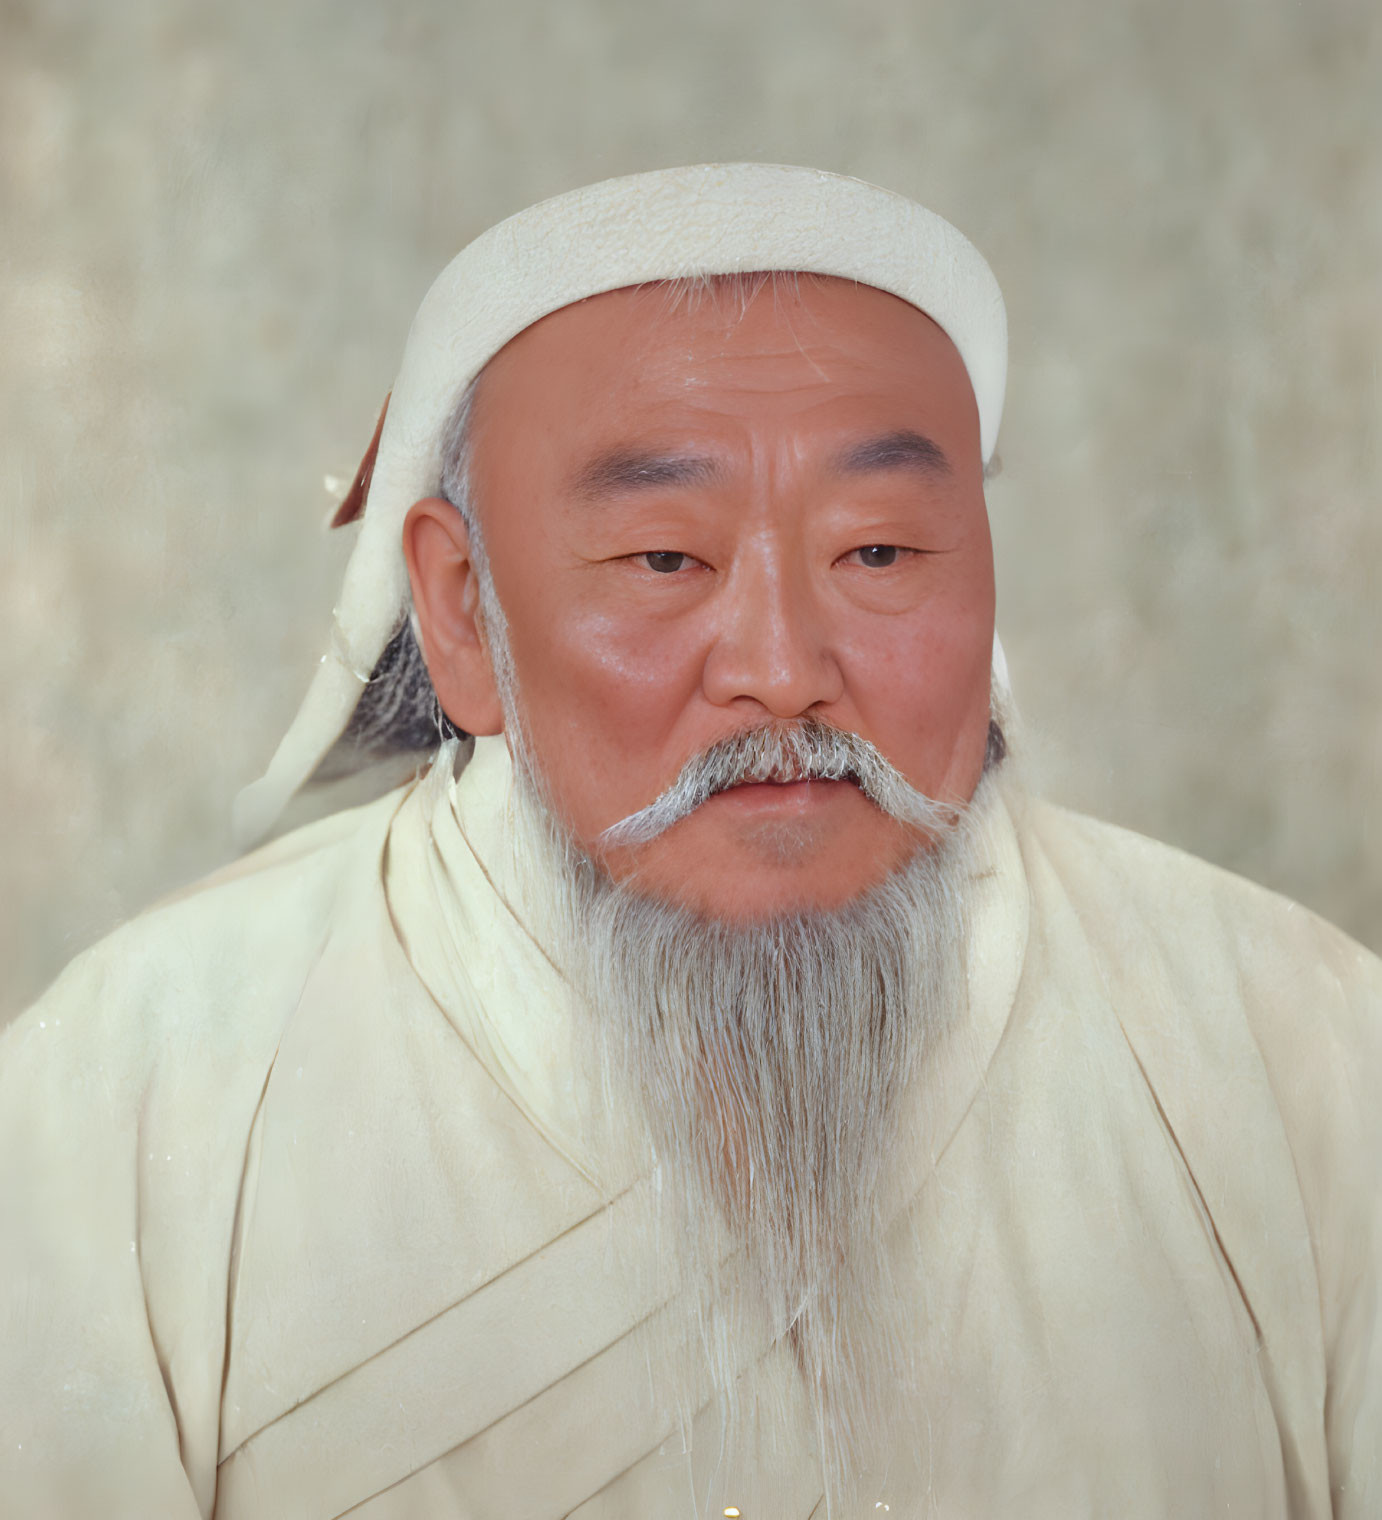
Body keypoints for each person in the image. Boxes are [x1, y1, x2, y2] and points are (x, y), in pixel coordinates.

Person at [1, 163, 1377, 1520]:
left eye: (880, 552)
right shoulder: (131, 1091)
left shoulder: (1298, 1046)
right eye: (665, 559)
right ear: (464, 612)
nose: (782, 671)